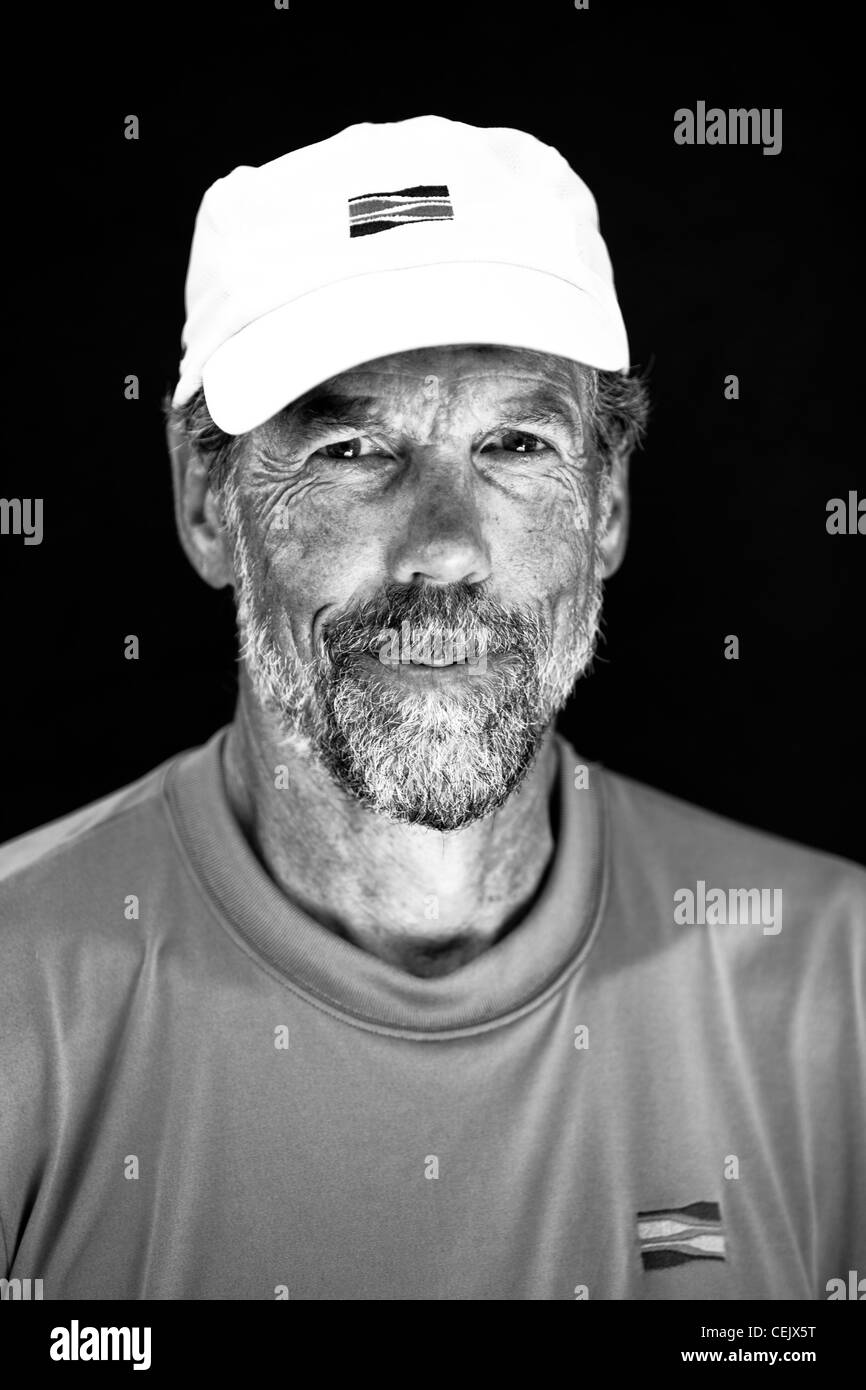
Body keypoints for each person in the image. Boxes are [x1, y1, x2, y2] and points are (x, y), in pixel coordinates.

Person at [1, 116, 863, 1302]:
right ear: (206, 496)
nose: (445, 548)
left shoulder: (835, 989)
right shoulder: (16, 999)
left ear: (606, 500)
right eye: (354, 447)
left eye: (514, 442)